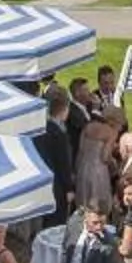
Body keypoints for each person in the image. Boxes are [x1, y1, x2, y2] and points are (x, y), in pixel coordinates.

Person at [37, 87, 76, 222]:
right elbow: (63, 163)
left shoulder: (41, 128)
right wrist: (69, 188)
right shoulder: (59, 134)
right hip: (57, 187)